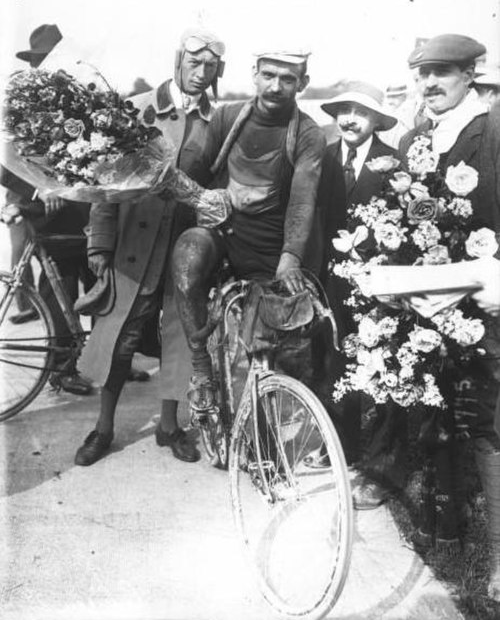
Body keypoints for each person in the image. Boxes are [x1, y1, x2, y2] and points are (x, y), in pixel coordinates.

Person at [74, 27, 226, 466]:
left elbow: (214, 187)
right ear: (177, 60)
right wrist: (99, 244)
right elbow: (103, 181)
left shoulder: (216, 121)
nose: (200, 73)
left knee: (181, 336)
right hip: (133, 247)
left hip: (184, 249)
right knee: (119, 339)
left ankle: (168, 426)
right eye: (194, 63)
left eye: (210, 67)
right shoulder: (137, 111)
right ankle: (102, 428)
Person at [399, 33, 500, 600]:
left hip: (486, 300)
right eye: (423, 74)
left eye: (442, 72)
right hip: (431, 302)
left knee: (489, 427)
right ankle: (448, 527)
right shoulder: (419, 137)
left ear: (469, 74)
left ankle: (497, 562)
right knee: (436, 412)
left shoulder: (490, 131)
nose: (430, 83)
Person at [171, 49, 325, 415]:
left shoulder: (307, 134)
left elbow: (303, 201)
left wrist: (290, 259)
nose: (276, 86)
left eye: (288, 79)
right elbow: (196, 175)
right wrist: (195, 197)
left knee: (272, 345)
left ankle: (267, 422)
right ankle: (200, 369)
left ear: (302, 84)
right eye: (268, 75)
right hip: (223, 235)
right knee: (188, 254)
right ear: (253, 74)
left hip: (272, 248)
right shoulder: (226, 117)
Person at [315, 82, 407, 509]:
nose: (350, 119)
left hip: (378, 281)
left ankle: (381, 462)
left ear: (376, 121)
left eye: (360, 112)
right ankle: (342, 446)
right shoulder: (323, 157)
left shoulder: (394, 162)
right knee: (336, 359)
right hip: (333, 279)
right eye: (344, 111)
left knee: (383, 363)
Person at [1, 23, 94, 395]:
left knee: (105, 287)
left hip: (85, 214)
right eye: (46, 63)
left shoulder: (80, 103)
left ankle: (105, 359)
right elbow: (5, 167)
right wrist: (39, 189)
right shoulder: (22, 109)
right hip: (49, 215)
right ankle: (62, 367)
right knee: (60, 291)